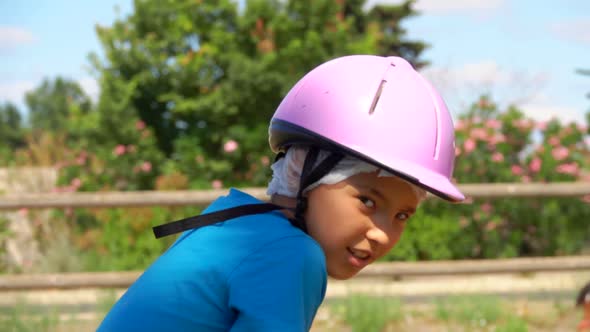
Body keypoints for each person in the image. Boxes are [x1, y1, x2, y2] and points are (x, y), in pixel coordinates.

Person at [97, 55, 465, 331]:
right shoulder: (291, 254)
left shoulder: (234, 224)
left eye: (402, 216)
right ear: (307, 176)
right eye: (367, 201)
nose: (384, 233)